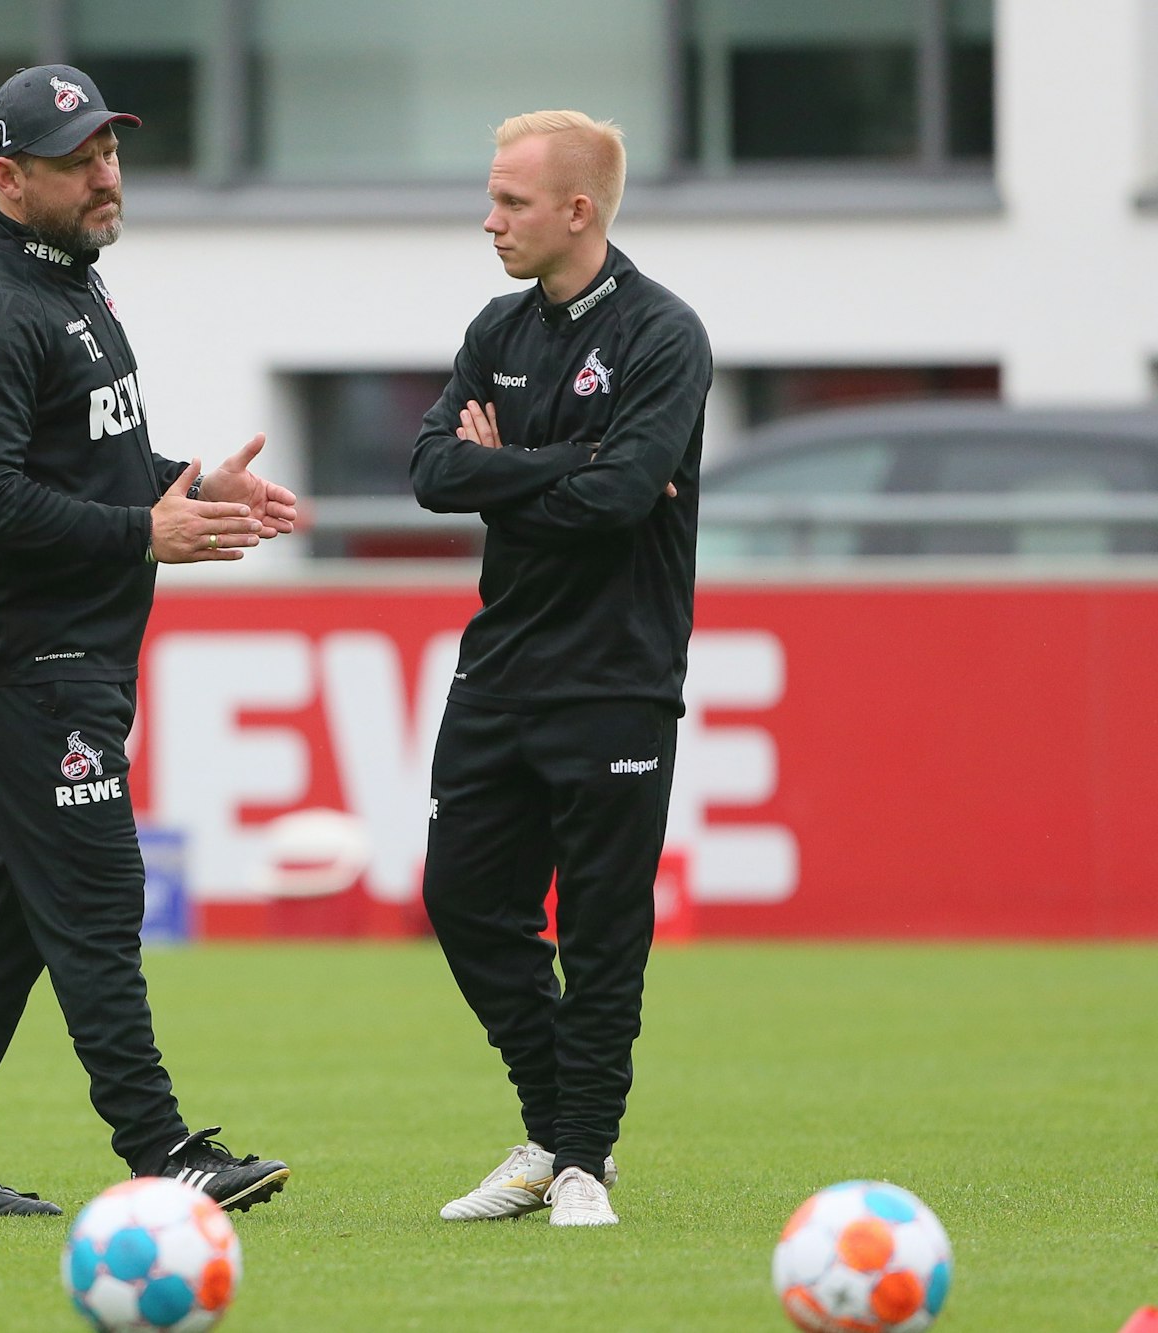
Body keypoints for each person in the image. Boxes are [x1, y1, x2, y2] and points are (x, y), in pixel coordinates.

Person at [0, 65, 297, 1219]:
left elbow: (88, 462)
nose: (104, 174)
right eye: (76, 161)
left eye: (109, 151)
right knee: (101, 890)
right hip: (28, 652)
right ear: (9, 180)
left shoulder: (67, 286)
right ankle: (163, 1148)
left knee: (18, 912)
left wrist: (191, 486)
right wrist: (144, 530)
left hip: (70, 643)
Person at [409, 110, 712, 1227]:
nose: (489, 221)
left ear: (575, 211)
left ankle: (581, 1158)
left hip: (615, 673)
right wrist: (557, 463)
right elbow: (433, 470)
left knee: (599, 926)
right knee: (462, 900)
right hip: (498, 669)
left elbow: (620, 497)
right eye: (492, 199)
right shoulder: (495, 328)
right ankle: (553, 1128)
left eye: (511, 203)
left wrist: (510, 466)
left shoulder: (661, 334)